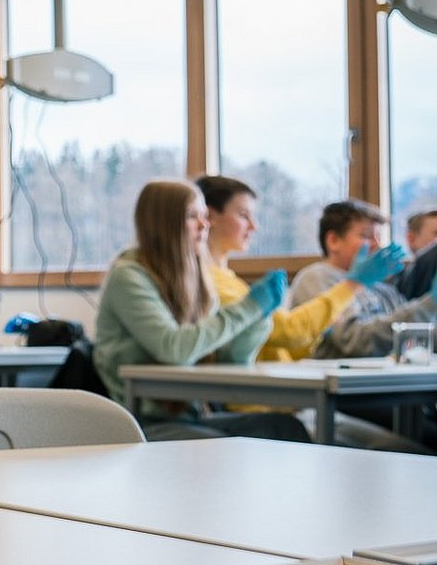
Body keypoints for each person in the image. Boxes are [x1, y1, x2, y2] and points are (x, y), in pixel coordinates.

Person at [194, 177, 415, 449]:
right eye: (243, 215)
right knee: (397, 450)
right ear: (210, 216)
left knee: (402, 447)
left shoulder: (230, 279)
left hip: (289, 403)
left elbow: (282, 346)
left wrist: (321, 328)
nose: (254, 226)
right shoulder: (211, 282)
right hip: (267, 407)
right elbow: (287, 332)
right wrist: (352, 285)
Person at [93, 179, 306, 442]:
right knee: (220, 445)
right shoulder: (128, 276)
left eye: (204, 216)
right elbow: (173, 348)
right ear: (164, 223)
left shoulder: (195, 277)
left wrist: (260, 318)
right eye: (192, 216)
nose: (205, 225)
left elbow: (230, 361)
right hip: (140, 423)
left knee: (285, 427)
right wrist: (249, 308)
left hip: (190, 417)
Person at [294, 200, 435, 359]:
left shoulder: (382, 289)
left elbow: (411, 336)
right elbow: (353, 341)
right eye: (366, 236)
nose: (377, 244)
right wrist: (431, 303)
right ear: (333, 240)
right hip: (336, 374)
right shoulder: (317, 277)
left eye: (379, 237)